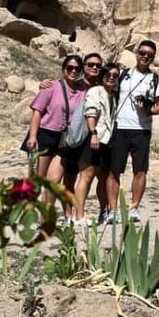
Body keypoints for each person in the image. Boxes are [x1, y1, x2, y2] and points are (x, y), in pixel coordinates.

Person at [38, 52, 108, 221]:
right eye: (90, 64)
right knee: (55, 178)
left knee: (74, 179)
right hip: (70, 137)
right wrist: (45, 84)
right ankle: (49, 217)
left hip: (89, 140)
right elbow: (61, 89)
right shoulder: (76, 85)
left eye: (98, 65)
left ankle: (72, 216)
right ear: (84, 67)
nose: (94, 68)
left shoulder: (103, 86)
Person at [25, 55, 88, 215]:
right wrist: (32, 137)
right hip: (45, 134)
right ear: (63, 69)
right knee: (37, 179)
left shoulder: (83, 90)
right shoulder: (51, 87)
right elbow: (37, 112)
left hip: (64, 139)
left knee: (53, 180)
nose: (73, 71)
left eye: (77, 69)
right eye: (70, 68)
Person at [108, 40, 159, 222]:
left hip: (142, 129)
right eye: (142, 53)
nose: (145, 56)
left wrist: (148, 109)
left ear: (153, 58)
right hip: (120, 127)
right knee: (114, 170)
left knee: (140, 171)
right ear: (137, 53)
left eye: (149, 55)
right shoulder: (123, 74)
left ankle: (133, 208)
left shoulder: (155, 79)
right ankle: (112, 210)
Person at [74, 63, 119, 225]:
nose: (111, 77)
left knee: (103, 177)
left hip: (106, 141)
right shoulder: (95, 91)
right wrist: (93, 133)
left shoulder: (112, 95)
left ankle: (103, 212)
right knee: (86, 176)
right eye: (108, 74)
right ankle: (79, 216)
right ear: (102, 76)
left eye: (115, 75)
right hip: (94, 138)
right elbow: (90, 112)